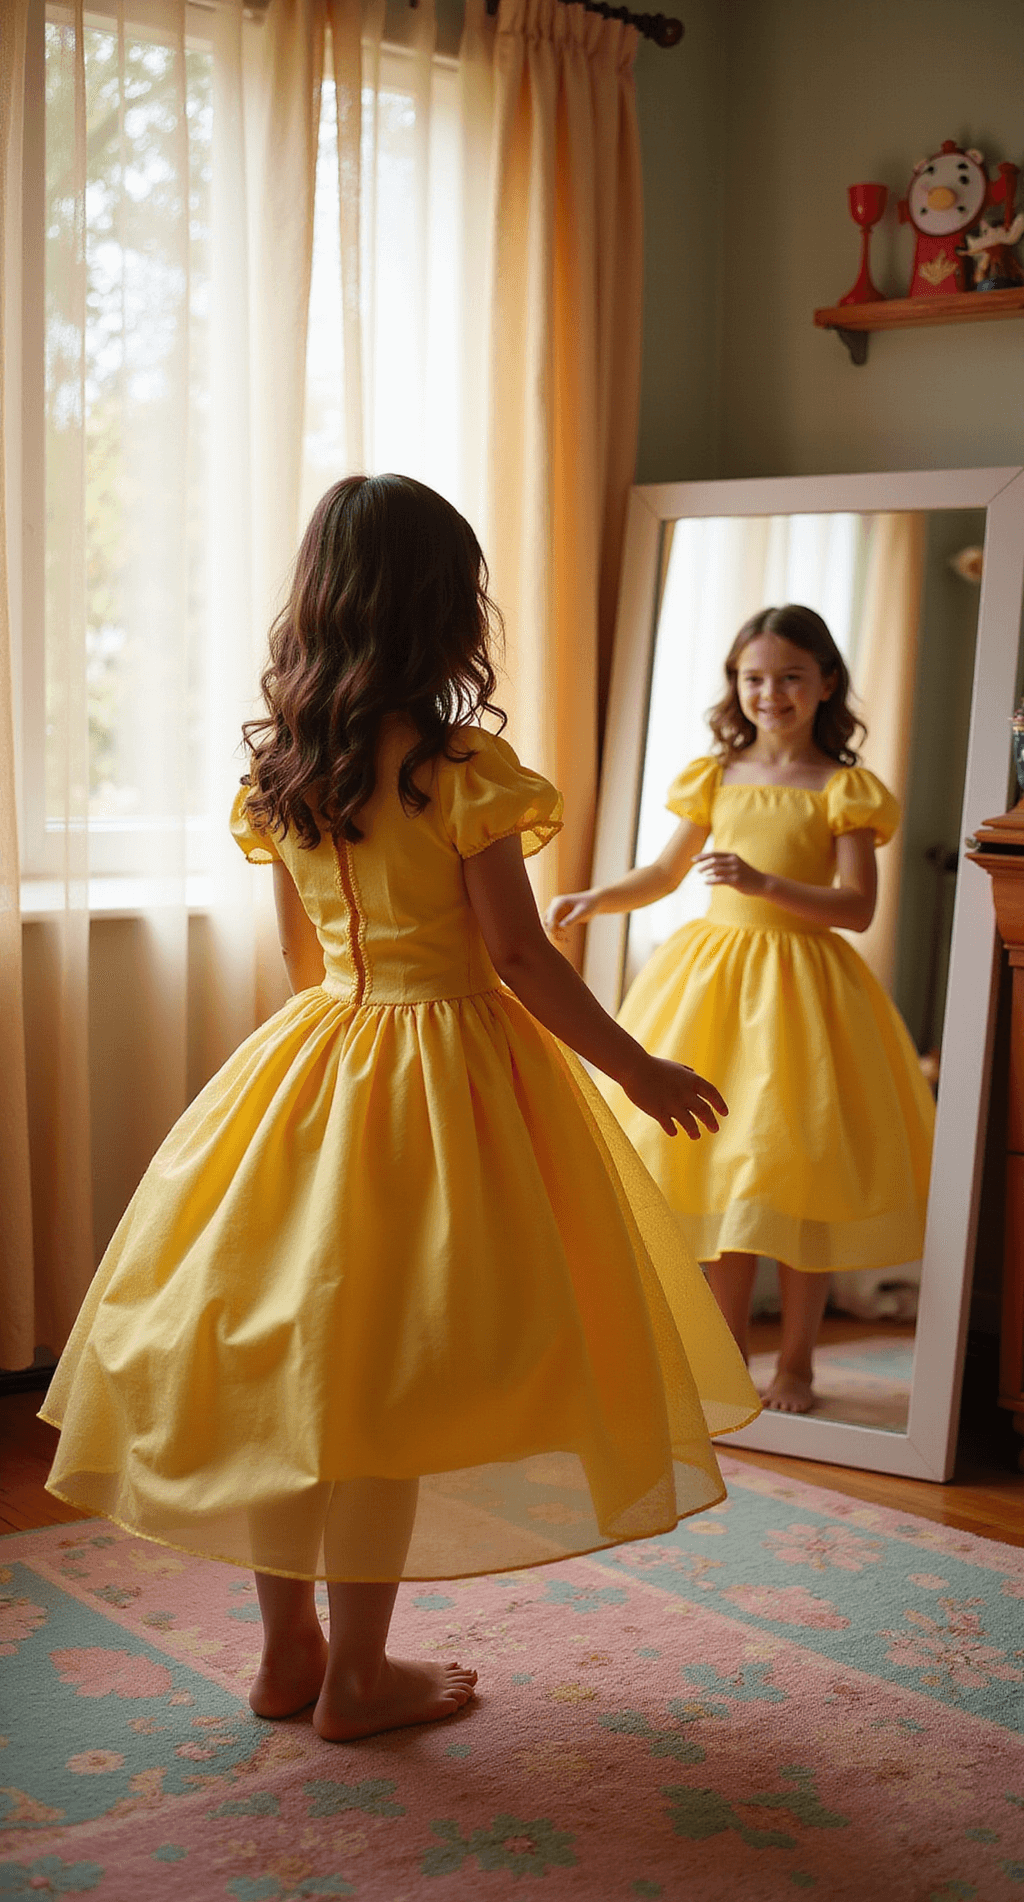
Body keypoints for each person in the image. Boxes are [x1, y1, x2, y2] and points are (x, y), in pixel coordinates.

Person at [41, 475, 760, 1745]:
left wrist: (341, 1055)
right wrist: (636, 1068)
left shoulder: (288, 766)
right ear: (445, 608)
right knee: (386, 1382)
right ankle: (360, 1676)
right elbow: (520, 960)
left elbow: (300, 966)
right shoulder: (458, 769)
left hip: (313, 1067)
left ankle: (288, 1655)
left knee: (299, 1370)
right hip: (443, 1074)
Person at [546, 604, 935, 1416]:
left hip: (806, 999)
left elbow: (856, 907)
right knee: (727, 1170)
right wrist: (594, 897)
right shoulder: (714, 777)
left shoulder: (845, 788)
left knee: (798, 1179)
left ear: (826, 683)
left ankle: (797, 1363)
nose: (770, 693)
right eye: (753, 678)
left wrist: (763, 885)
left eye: (790, 677)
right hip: (715, 987)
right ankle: (726, 1359)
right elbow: (661, 875)